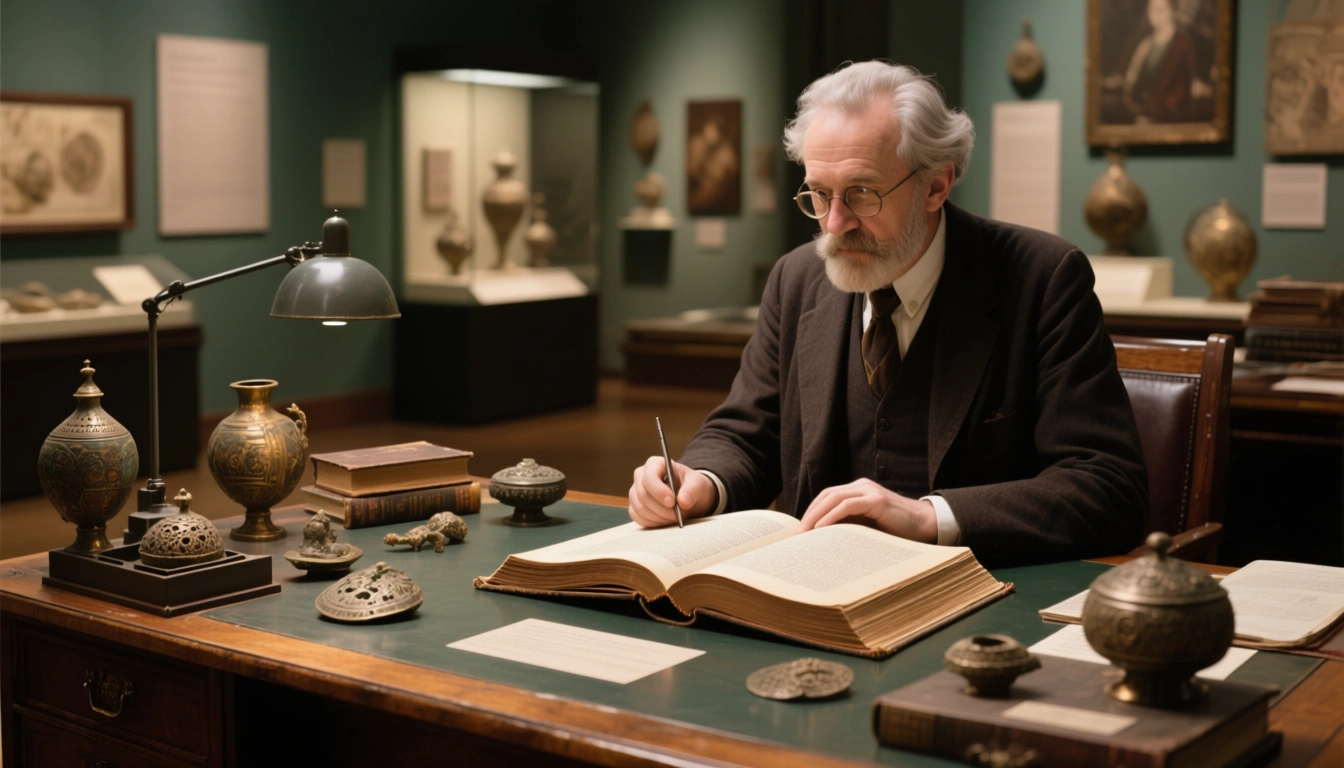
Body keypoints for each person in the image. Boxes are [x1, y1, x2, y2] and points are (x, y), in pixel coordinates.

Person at [627, 61, 1149, 566]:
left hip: (979, 595)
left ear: (936, 185)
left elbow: (1108, 485)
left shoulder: (1043, 278)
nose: (835, 224)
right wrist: (700, 482)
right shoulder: (796, 279)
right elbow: (747, 433)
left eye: (862, 194)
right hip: (812, 584)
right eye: (819, 194)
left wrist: (929, 517)